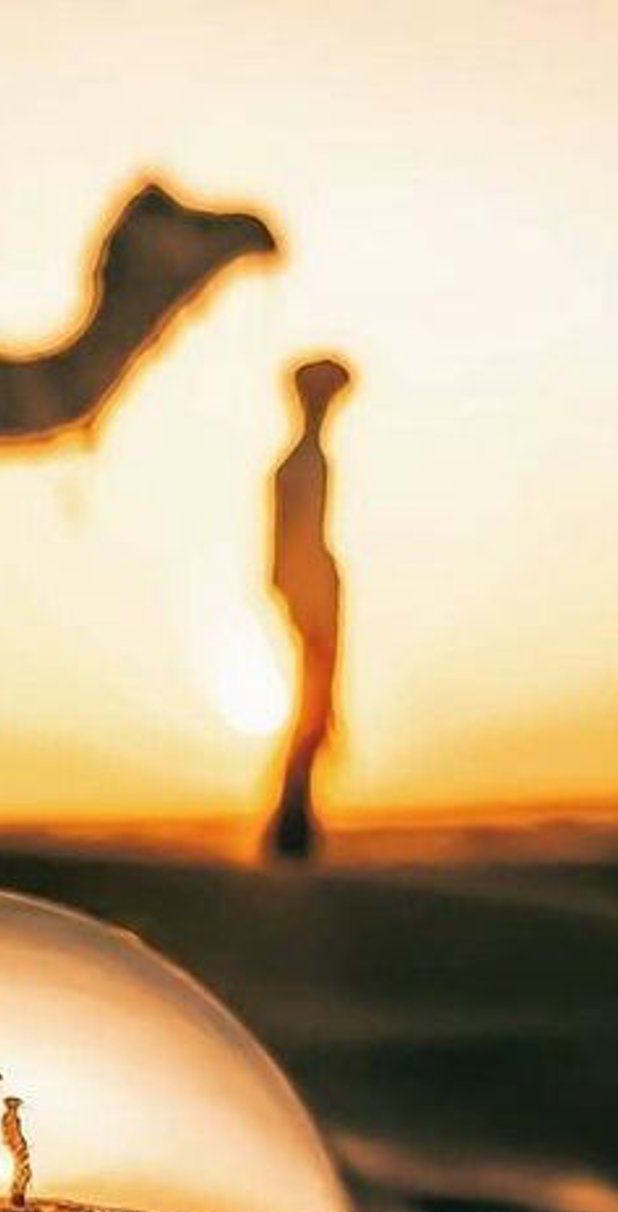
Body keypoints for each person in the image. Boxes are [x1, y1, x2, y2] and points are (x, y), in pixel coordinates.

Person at [264, 356, 354, 862]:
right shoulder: (299, 461)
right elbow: (287, 547)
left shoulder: (306, 457)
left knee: (318, 712)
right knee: (314, 714)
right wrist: (306, 608)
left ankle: (297, 824)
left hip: (318, 591)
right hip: (313, 597)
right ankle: (291, 829)